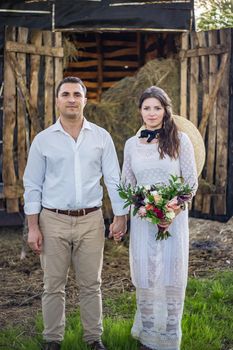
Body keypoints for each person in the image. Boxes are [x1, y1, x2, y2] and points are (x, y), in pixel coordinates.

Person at [23, 76, 127, 350]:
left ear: (85, 100)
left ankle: (94, 339)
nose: (72, 99)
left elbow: (113, 179)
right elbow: (32, 185)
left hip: (91, 220)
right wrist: (33, 227)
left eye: (77, 95)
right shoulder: (43, 140)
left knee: (92, 283)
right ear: (57, 100)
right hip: (53, 220)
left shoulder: (101, 137)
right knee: (53, 284)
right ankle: (52, 340)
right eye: (66, 94)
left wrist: (120, 216)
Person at [113, 86, 198, 350]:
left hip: (173, 220)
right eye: (147, 108)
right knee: (147, 274)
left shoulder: (179, 140)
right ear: (140, 111)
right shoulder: (130, 144)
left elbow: (191, 183)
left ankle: (169, 336)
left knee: (171, 275)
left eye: (157, 108)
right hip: (142, 220)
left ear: (165, 110)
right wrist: (144, 208)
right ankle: (148, 336)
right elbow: (126, 184)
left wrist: (171, 210)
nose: (151, 113)